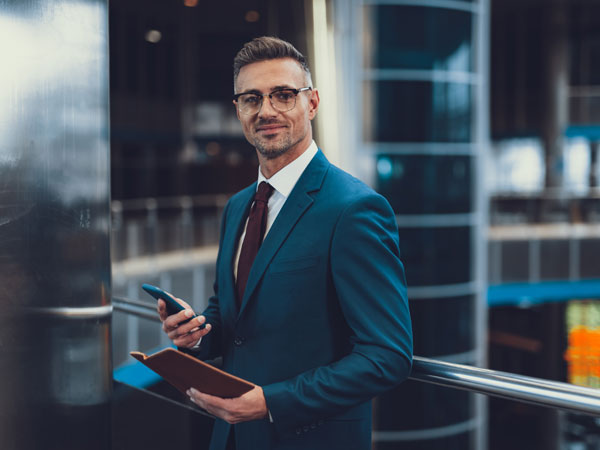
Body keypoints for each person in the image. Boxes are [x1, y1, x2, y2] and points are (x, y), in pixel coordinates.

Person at [157, 36, 413, 450]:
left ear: (311, 104)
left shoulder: (355, 209)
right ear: (238, 109)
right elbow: (231, 319)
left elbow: (387, 355)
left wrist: (270, 402)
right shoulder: (239, 205)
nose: (267, 111)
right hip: (232, 438)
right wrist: (198, 334)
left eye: (283, 95)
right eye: (251, 99)